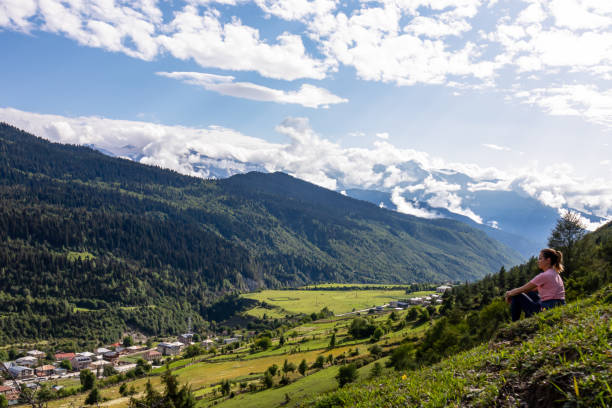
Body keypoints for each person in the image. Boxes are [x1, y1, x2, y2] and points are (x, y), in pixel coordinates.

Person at [505, 248, 566, 321]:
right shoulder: (555, 273)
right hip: (558, 305)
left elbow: (523, 288)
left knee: (517, 295)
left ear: (548, 260)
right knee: (529, 293)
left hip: (547, 308)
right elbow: (531, 289)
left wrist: (509, 294)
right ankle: (527, 317)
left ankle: (514, 322)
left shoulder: (544, 275)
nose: (538, 261)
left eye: (540, 259)